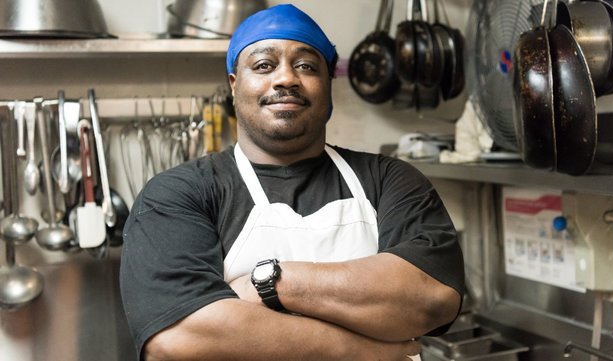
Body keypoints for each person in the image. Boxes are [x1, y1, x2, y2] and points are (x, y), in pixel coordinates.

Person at [120, 4, 465, 361]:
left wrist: (273, 283)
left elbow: (431, 299)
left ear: (328, 85)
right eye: (264, 65)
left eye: (306, 66)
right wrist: (359, 350)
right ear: (234, 86)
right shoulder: (178, 194)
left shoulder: (390, 180)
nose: (286, 78)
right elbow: (178, 339)